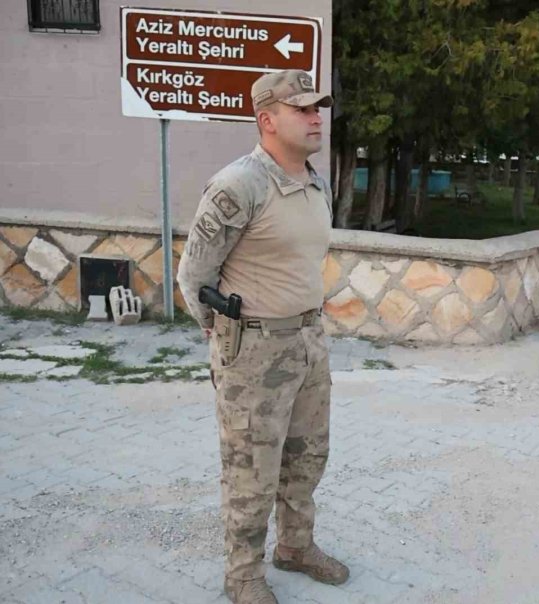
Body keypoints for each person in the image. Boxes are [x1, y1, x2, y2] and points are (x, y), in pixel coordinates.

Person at [176, 69, 348, 604]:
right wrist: (228, 340)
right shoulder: (238, 185)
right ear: (267, 119)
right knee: (251, 470)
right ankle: (243, 575)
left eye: (318, 107)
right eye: (302, 108)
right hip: (253, 348)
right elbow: (193, 278)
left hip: (307, 341)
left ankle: (295, 547)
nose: (315, 116)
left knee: (306, 456)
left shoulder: (314, 180)